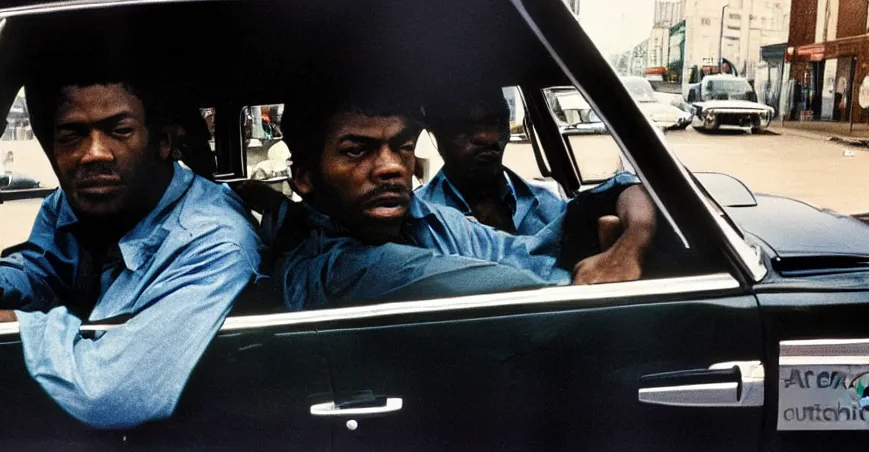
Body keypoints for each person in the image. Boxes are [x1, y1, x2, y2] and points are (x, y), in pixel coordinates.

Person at [0, 77, 264, 429]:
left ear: (163, 142)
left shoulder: (214, 240)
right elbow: (45, 262)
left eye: (119, 131)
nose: (93, 154)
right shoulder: (79, 201)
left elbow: (112, 392)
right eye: (72, 136)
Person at [259, 93, 610, 312]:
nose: (392, 167)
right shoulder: (337, 270)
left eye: (403, 146)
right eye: (356, 151)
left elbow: (529, 251)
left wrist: (631, 241)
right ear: (304, 178)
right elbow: (535, 291)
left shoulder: (426, 219)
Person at [416, 87, 656, 284]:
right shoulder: (421, 222)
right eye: (465, 126)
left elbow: (626, 187)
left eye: (498, 121)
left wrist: (630, 247)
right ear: (435, 135)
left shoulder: (545, 201)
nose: (488, 138)